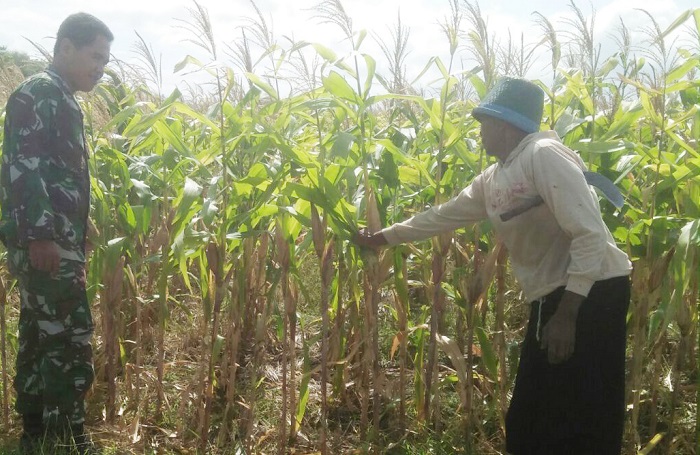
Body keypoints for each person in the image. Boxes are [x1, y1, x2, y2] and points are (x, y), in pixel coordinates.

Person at [354, 77, 632, 454]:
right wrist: (383, 237)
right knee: (531, 418)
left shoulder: (543, 154)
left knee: (586, 412)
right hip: (552, 297)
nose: (479, 131)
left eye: (483, 122)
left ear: (504, 125)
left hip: (592, 293)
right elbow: (443, 216)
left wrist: (568, 313)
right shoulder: (495, 177)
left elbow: (590, 234)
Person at [0, 12, 113, 454]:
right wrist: (42, 236)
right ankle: (67, 433)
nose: (101, 67)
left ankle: (38, 431)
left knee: (40, 333)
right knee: (68, 335)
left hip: (55, 241)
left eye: (106, 60)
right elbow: (23, 169)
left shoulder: (60, 97)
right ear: (65, 47)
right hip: (46, 244)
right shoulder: (40, 94)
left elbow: (55, 174)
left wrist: (76, 228)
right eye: (95, 56)